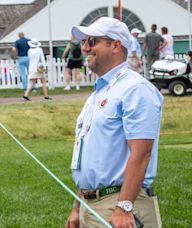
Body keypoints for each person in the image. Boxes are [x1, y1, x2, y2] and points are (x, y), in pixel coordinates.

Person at [66, 17, 163, 228]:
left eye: (91, 41)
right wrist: (78, 206)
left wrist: (124, 207)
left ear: (116, 45)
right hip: (91, 206)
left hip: (119, 206)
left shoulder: (135, 89)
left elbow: (142, 152)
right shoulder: (98, 92)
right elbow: (90, 157)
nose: (84, 48)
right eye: (84, 42)